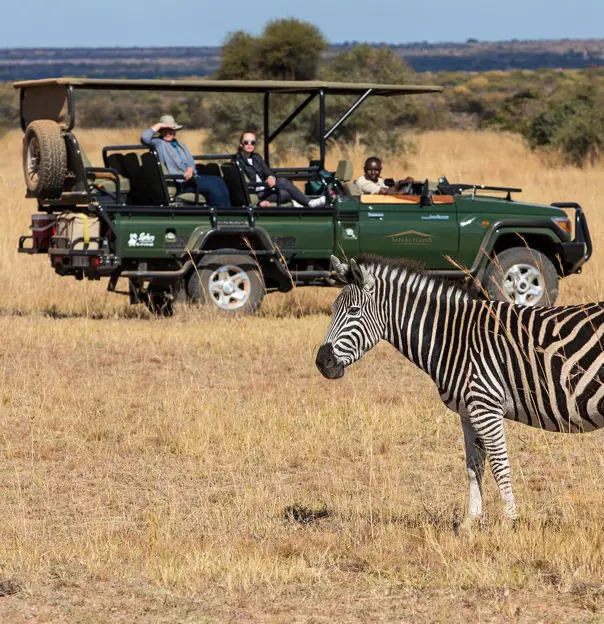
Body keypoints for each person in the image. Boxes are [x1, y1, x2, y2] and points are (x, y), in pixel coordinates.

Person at [141, 115, 232, 206]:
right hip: (181, 181)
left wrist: (190, 168)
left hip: (192, 178)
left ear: (175, 130)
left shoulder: (179, 144)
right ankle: (221, 215)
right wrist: (160, 125)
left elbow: (190, 160)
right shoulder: (159, 143)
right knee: (213, 188)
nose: (168, 132)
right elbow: (144, 138)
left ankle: (229, 212)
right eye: (165, 129)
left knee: (218, 180)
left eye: (171, 129)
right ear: (160, 131)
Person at [234, 131, 326, 208]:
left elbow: (267, 170)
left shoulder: (256, 157)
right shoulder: (237, 161)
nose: (249, 145)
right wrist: (258, 202)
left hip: (265, 190)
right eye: (246, 142)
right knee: (282, 182)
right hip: (255, 193)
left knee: (284, 193)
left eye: (252, 142)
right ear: (241, 144)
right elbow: (242, 185)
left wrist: (270, 177)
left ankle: (298, 202)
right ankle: (309, 203)